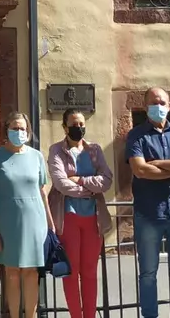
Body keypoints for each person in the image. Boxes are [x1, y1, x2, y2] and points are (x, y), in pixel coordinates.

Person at [126, 87, 170, 318]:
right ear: (145, 106)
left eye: (162, 102)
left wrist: (158, 164)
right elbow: (140, 170)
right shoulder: (136, 135)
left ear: (169, 106)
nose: (158, 106)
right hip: (149, 212)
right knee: (148, 272)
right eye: (153, 102)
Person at [0, 111, 53, 318]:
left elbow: (43, 192)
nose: (19, 131)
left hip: (35, 222)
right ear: (7, 130)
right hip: (8, 223)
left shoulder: (36, 156)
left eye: (23, 128)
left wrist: (50, 224)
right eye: (15, 128)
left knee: (32, 273)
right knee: (12, 273)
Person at [48, 109, 113, 318]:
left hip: (93, 217)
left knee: (90, 271)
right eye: (74, 125)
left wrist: (82, 180)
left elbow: (107, 180)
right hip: (68, 216)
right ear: (65, 127)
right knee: (71, 271)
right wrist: (91, 189)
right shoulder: (56, 150)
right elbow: (61, 183)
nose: (79, 128)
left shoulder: (94, 150)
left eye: (82, 124)